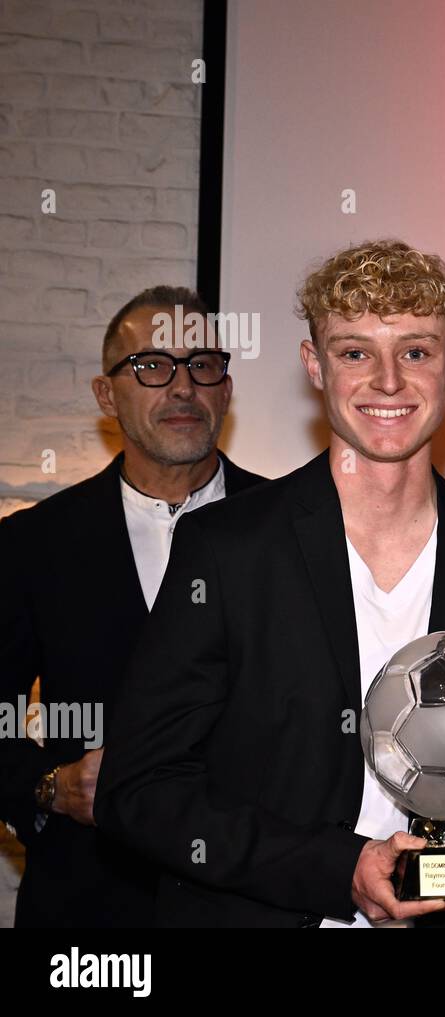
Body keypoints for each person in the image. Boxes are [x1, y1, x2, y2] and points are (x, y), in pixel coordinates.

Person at [94, 241, 445, 927]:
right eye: (355, 353)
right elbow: (138, 788)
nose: (387, 381)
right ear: (314, 365)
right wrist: (337, 867)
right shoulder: (228, 550)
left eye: (415, 351)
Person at [0, 286, 265, 927]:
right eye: (151, 366)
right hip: (88, 906)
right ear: (105, 394)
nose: (182, 388)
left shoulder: (292, 530)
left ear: (225, 388)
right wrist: (48, 785)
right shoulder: (34, 542)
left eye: (202, 364)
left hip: (256, 898)